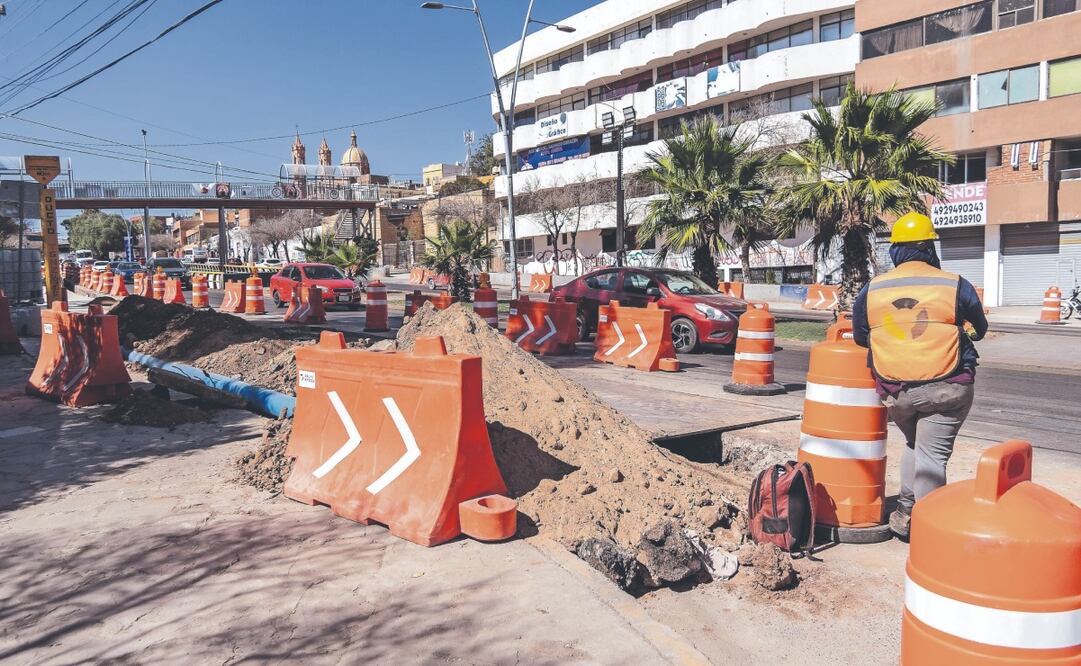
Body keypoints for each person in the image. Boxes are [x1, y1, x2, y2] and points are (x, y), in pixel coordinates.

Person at [852, 212, 988, 539]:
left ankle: (905, 513)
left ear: (896, 250)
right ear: (929, 248)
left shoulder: (872, 289)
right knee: (931, 457)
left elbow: (860, 337)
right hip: (948, 388)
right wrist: (967, 333)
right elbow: (979, 326)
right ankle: (930, 534)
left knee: (915, 444)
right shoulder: (954, 284)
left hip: (896, 391)